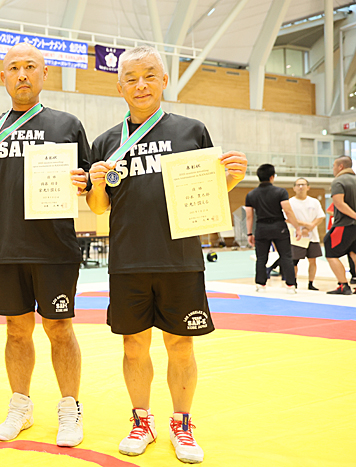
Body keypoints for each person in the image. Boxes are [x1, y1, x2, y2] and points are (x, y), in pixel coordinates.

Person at [86, 46, 248, 464]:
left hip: (180, 259)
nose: (140, 85)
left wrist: (232, 178)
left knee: (181, 345)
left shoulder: (192, 131)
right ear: (119, 87)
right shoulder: (106, 142)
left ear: (164, 80)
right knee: (133, 346)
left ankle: (182, 423)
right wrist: (98, 184)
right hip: (128, 261)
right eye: (131, 78)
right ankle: (142, 420)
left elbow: (208, 194)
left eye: (149, 76)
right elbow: (98, 207)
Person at [0, 43, 90, 448]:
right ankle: (21, 406)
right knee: (16, 331)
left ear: (44, 73)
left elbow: (88, 182)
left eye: (30, 66)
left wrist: (85, 181)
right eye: (14, 68)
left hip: (55, 248)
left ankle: (69, 408)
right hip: (8, 247)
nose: (22, 74)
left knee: (60, 329)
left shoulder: (68, 124)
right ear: (3, 77)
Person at [245, 164, 302, 292]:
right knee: (286, 256)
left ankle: (260, 285)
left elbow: (249, 216)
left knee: (261, 258)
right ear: (272, 177)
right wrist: (297, 228)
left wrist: (249, 233)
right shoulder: (280, 192)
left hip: (261, 227)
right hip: (279, 226)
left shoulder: (251, 194)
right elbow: (288, 211)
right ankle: (290, 285)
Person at [324, 156, 356, 295]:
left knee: (330, 249)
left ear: (340, 166)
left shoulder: (338, 181)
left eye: (334, 166)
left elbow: (339, 203)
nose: (333, 169)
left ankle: (343, 285)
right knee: (354, 252)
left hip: (344, 224)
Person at [289, 178, 325, 290]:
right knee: (294, 261)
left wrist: (310, 227)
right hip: (296, 236)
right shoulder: (290, 202)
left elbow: (320, 216)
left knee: (313, 260)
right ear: (294, 188)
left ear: (308, 187)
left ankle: (311, 283)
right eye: (298, 185)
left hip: (312, 236)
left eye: (303, 185)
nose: (301, 187)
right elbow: (287, 218)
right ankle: (294, 282)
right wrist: (304, 225)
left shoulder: (314, 202)